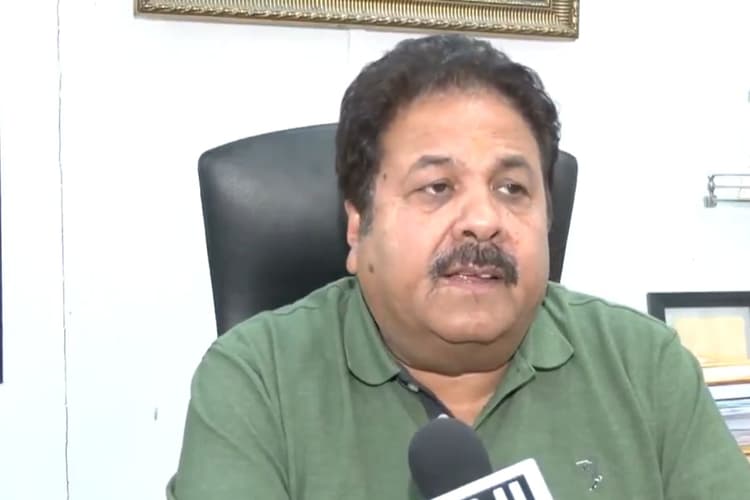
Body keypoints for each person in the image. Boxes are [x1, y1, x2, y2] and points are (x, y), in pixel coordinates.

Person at [166, 34, 750, 499]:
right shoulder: (256, 381)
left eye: (512, 188)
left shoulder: (645, 367)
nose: (484, 220)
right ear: (358, 224)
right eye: (438, 186)